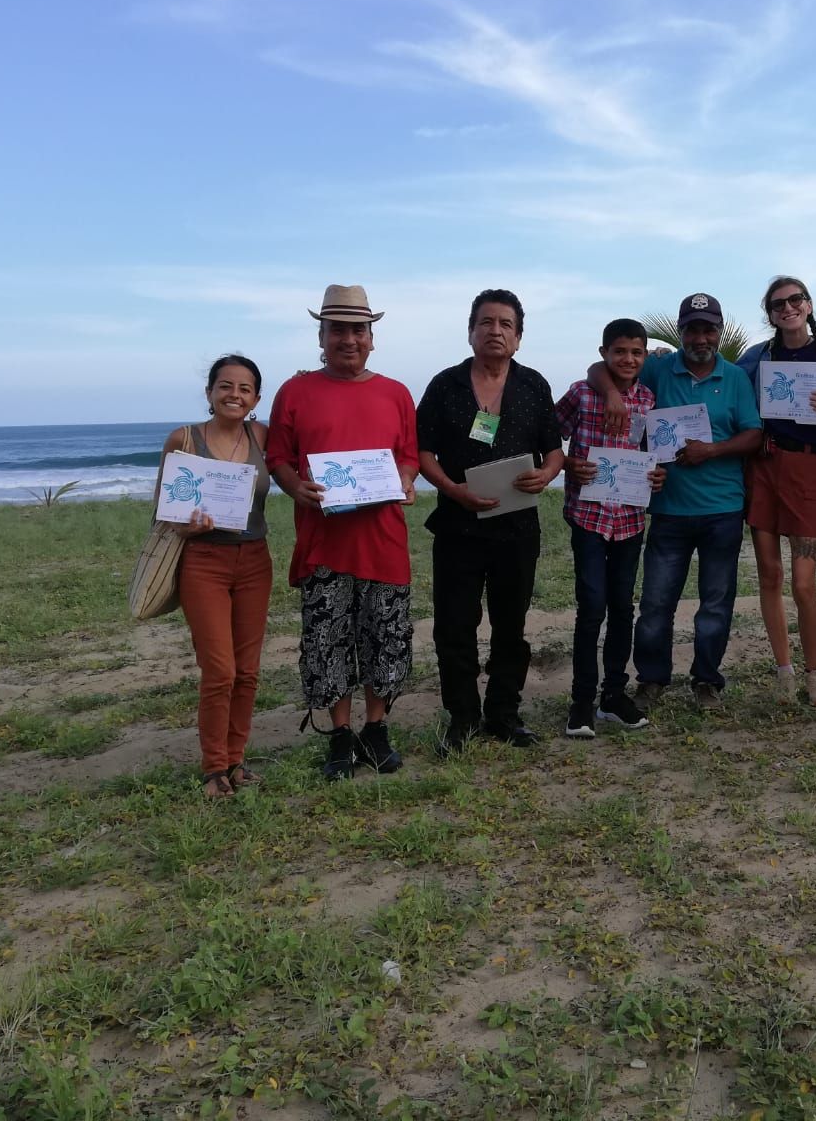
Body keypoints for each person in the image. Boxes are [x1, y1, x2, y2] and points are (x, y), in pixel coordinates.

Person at [266, 285, 419, 781]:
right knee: (327, 643)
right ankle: (339, 738)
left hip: (384, 541)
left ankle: (375, 731)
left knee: (386, 639)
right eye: (338, 330)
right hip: (324, 542)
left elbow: (409, 456)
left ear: (372, 337)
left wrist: (407, 481)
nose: (348, 339)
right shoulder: (295, 392)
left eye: (358, 330)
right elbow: (278, 459)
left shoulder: (396, 393)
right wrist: (296, 487)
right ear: (322, 335)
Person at [590, 292, 762, 713]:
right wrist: (612, 395)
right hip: (668, 509)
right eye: (692, 329)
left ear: (718, 331)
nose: (700, 337)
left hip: (722, 508)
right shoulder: (657, 367)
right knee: (655, 604)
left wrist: (713, 450)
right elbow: (600, 368)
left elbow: (754, 435)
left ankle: (707, 682)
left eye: (708, 329)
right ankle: (651, 680)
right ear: (681, 332)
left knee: (716, 603)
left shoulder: (736, 377)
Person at [417, 288, 565, 754]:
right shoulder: (445, 384)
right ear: (470, 332)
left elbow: (555, 450)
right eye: (486, 322)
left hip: (517, 530)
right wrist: (453, 489)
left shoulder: (534, 385)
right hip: (458, 526)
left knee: (511, 626)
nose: (495, 331)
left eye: (505, 324)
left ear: (518, 337)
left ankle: (504, 714)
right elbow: (422, 452)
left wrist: (546, 474)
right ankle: (462, 718)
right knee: (454, 626)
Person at [735, 276, 816, 707]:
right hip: (765, 468)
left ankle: (814, 672)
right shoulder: (757, 357)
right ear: (769, 313)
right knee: (769, 575)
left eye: (795, 300)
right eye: (777, 304)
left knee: (804, 583)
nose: (787, 308)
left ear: (808, 305)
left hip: (812, 469)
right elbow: (726, 390)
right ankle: (784, 671)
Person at [156, 355, 273, 799]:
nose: (234, 395)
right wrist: (186, 525)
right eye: (225, 386)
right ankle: (213, 768)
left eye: (245, 389)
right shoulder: (183, 439)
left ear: (256, 399)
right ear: (209, 393)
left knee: (248, 671)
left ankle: (237, 761)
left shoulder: (261, 435)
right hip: (203, 561)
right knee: (220, 670)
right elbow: (163, 510)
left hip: (254, 560)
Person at [556, 318, 668, 738]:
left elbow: (652, 454)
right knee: (591, 608)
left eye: (637, 352)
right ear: (604, 353)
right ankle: (581, 702)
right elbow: (548, 436)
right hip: (587, 518)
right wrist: (568, 463)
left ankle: (613, 696)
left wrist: (657, 476)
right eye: (620, 351)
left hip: (629, 520)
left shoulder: (648, 399)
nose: (629, 359)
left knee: (623, 607)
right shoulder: (583, 393)